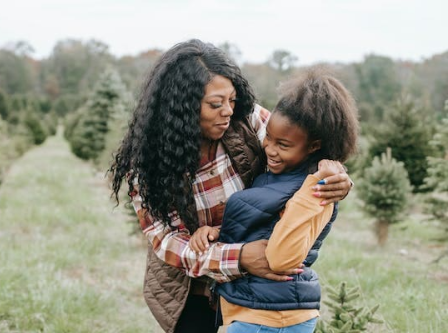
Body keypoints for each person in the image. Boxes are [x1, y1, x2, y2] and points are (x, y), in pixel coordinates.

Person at [109, 39, 354, 333]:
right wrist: (241, 257)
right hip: (194, 289)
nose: (227, 111)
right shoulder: (146, 167)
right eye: (215, 104)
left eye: (232, 100)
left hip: (256, 292)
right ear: (182, 108)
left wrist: (337, 177)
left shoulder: (247, 121)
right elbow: (168, 242)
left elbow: (306, 149)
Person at [188, 67, 359, 333]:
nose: (269, 148)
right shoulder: (275, 175)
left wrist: (312, 189)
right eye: (268, 136)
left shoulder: (317, 189)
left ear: (313, 146)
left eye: (283, 145)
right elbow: (264, 226)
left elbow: (281, 258)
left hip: (271, 316)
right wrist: (215, 233)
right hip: (252, 308)